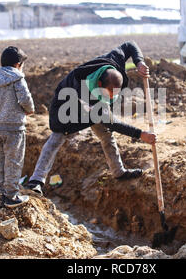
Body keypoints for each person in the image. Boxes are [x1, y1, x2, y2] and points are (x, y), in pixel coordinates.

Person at [25, 41, 156, 196]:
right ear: (100, 84)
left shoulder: (113, 60)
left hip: (96, 103)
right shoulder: (83, 89)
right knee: (57, 137)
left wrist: (139, 62)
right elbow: (110, 122)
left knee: (106, 136)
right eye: (109, 94)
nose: (112, 98)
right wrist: (141, 134)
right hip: (67, 104)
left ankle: (118, 171)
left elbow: (129, 45)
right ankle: (36, 181)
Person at [0, 46, 35, 208]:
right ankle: (12, 196)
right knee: (14, 162)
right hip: (15, 128)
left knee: (2, 161)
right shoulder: (18, 78)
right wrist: (29, 111)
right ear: (18, 64)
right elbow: (25, 99)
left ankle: (3, 191)